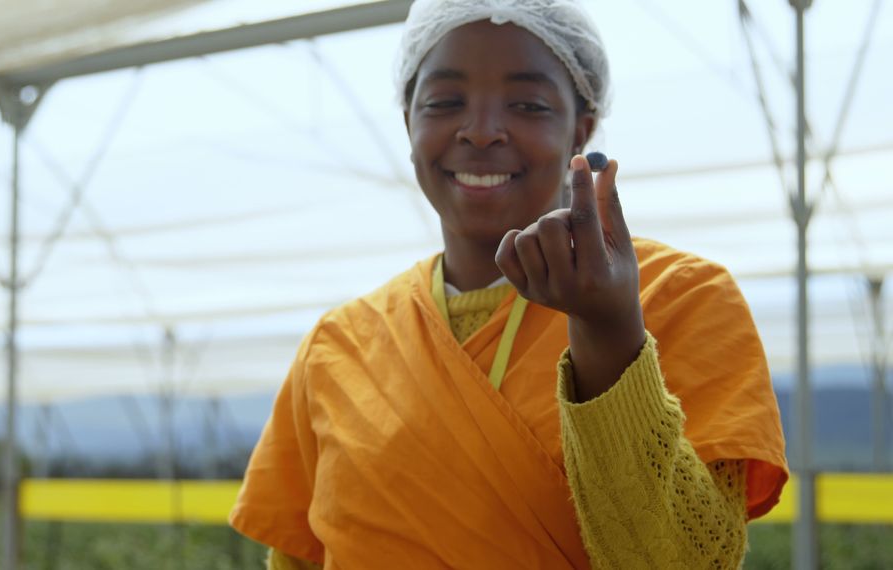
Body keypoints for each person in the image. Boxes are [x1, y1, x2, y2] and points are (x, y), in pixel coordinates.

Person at [230, 0, 788, 568]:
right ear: (408, 122)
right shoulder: (338, 344)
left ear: (581, 129)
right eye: (445, 102)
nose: (480, 132)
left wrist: (611, 333)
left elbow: (693, 562)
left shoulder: (682, 296)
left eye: (527, 104)